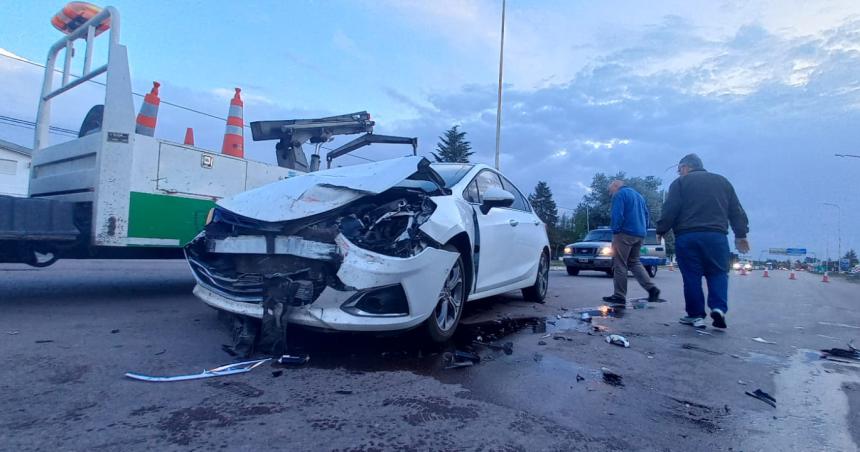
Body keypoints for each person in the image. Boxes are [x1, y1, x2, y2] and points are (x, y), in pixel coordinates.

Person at [656, 154, 749, 329]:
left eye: (679, 170)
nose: (679, 173)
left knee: (692, 276)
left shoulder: (680, 184)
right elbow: (736, 211)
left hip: (687, 236)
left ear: (685, 167)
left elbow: (671, 209)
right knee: (719, 273)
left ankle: (695, 315)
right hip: (716, 236)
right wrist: (741, 235)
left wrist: (661, 230)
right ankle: (718, 308)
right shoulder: (723, 182)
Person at [603, 180, 661, 303]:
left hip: (624, 233)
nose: (610, 194)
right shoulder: (639, 196)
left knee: (620, 264)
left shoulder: (619, 194)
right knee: (634, 262)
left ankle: (619, 295)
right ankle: (651, 289)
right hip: (639, 234)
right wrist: (644, 230)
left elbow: (617, 214)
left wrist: (615, 230)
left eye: (610, 191)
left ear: (615, 186)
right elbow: (646, 215)